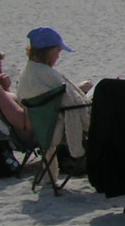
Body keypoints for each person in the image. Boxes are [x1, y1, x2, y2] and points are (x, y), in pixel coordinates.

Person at [17, 26, 93, 166]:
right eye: (57, 52)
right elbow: (75, 107)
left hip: (43, 130)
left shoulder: (27, 75)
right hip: (59, 129)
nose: (58, 56)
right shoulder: (48, 75)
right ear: (49, 52)